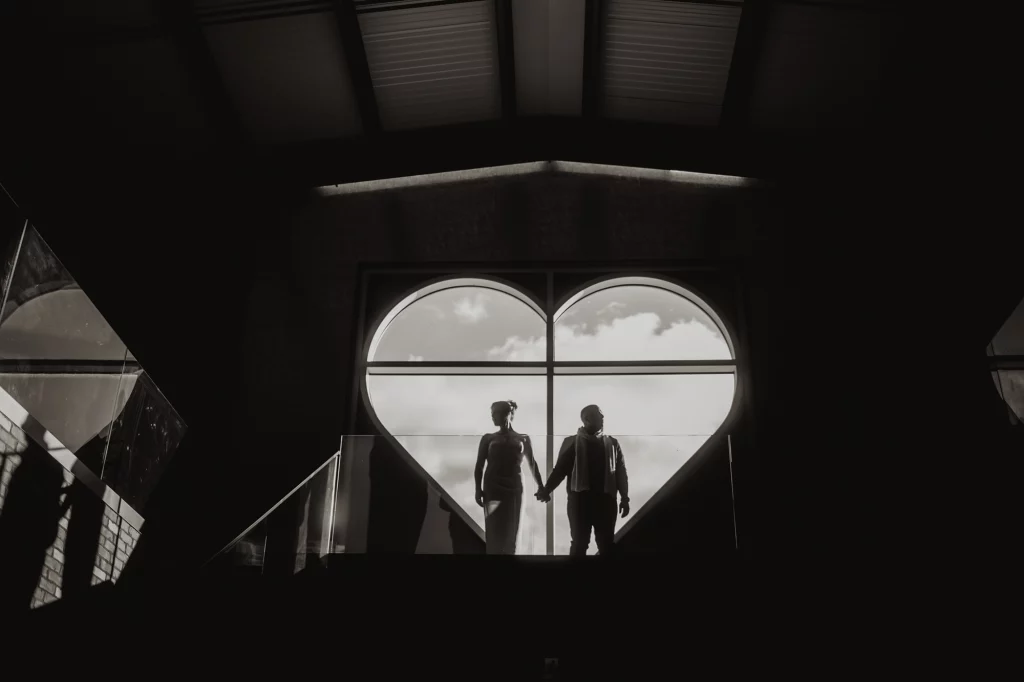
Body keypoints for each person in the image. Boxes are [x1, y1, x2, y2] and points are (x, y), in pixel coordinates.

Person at [537, 405, 629, 556]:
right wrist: (547, 489)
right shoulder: (572, 442)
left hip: (605, 501)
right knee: (580, 544)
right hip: (580, 502)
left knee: (606, 544)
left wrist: (625, 498)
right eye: (599, 415)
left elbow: (620, 473)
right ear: (587, 419)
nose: (603, 418)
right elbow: (560, 469)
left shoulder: (613, 443)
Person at [474, 400, 543, 555]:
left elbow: (532, 464)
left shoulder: (523, 438)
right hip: (492, 488)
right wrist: (478, 489)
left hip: (515, 488)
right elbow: (479, 466)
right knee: (493, 532)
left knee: (513, 531)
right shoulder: (488, 438)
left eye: (495, 414)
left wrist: (540, 485)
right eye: (491, 415)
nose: (493, 418)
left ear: (506, 414)